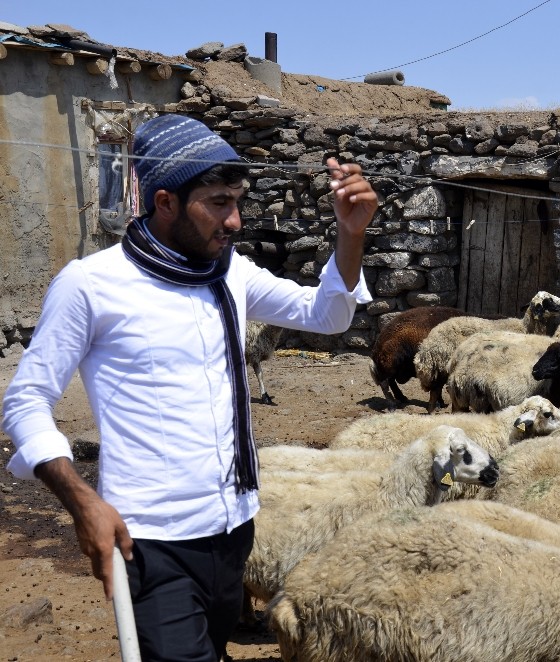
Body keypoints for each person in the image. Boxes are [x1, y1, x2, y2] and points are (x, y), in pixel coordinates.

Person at [2, 114, 376, 661]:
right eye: (219, 203)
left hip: (233, 527)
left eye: (237, 201)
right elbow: (25, 400)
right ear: (165, 202)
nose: (235, 221)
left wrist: (351, 233)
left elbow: (326, 314)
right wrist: (83, 502)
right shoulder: (91, 285)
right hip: (149, 538)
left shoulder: (231, 272)